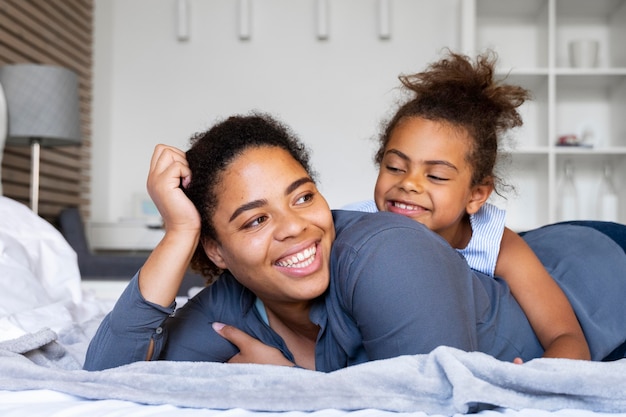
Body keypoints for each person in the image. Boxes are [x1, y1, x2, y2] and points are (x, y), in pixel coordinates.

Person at [84, 112, 626, 372]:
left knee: (513, 252)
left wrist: (293, 382)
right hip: (470, 265)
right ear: (217, 252)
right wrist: (180, 232)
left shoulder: (389, 254)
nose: (295, 227)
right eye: (254, 221)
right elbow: (111, 377)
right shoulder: (236, 299)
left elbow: (426, 401)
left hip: (597, 268)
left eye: (302, 197)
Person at [344, 50, 589, 361]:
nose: (408, 183)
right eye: (394, 167)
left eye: (435, 175)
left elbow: (566, 335)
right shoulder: (356, 227)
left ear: (476, 195)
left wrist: (531, 379)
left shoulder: (494, 243)